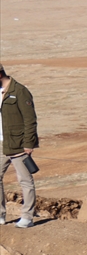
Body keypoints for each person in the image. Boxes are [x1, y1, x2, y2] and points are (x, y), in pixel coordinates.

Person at [0, 65, 39, 228]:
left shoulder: (20, 91)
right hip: (1, 143)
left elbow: (30, 119)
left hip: (18, 144)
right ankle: (1, 215)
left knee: (25, 180)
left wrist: (28, 144)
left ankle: (27, 217)